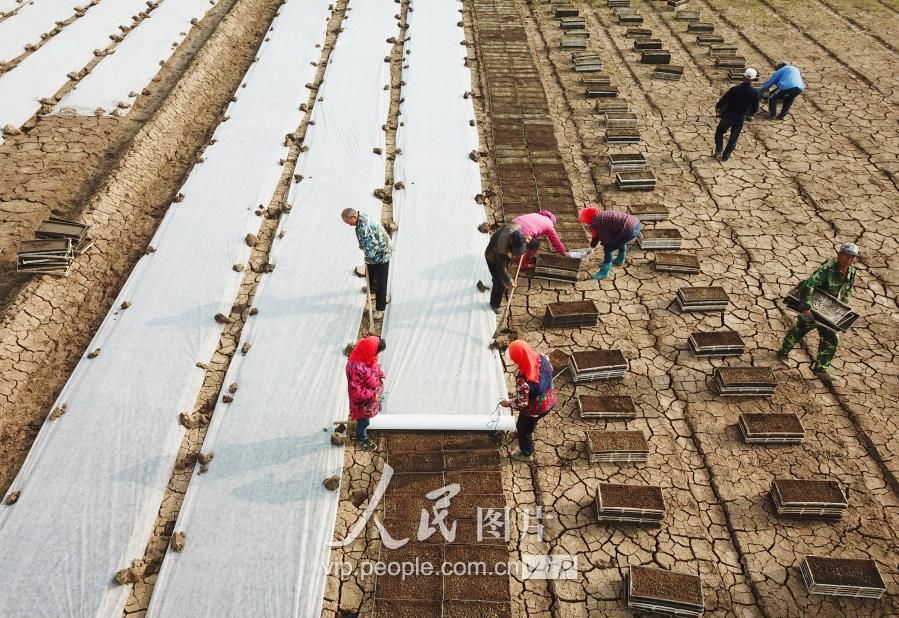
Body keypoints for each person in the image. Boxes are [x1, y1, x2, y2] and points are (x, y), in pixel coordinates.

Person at [778, 243, 859, 380]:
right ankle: (783, 352)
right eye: (847, 256)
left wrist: (842, 310)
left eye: (852, 257)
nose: (849, 260)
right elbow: (808, 285)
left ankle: (821, 368)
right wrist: (806, 307)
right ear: (839, 255)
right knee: (801, 329)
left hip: (830, 312)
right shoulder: (827, 270)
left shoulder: (851, 272)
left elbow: (847, 291)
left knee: (832, 338)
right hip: (814, 307)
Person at [500, 340, 557, 463]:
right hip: (550, 399)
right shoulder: (543, 358)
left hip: (536, 408)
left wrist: (508, 403)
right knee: (531, 423)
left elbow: (522, 403)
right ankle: (530, 430)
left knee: (522, 427)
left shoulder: (524, 380)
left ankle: (527, 453)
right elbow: (551, 370)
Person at [341, 208, 391, 319]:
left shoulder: (364, 228)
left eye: (349, 223)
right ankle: (373, 288)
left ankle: (381, 307)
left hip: (382, 254)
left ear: (354, 217)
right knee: (371, 271)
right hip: (375, 252)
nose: (349, 225)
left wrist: (367, 257)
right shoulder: (361, 216)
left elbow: (372, 250)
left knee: (381, 280)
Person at [346, 336, 387, 452]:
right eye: (376, 352)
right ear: (370, 349)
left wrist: (381, 376)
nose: (376, 355)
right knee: (364, 421)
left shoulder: (369, 355)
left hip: (373, 397)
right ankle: (361, 437)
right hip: (362, 403)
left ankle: (365, 422)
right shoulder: (354, 368)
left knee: (377, 408)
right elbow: (356, 392)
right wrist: (372, 396)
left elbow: (376, 367)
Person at [578, 205, 641, 280]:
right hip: (635, 224)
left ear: (588, 219)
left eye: (584, 221)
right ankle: (620, 260)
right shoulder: (600, 215)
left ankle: (604, 272)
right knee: (619, 241)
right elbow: (596, 236)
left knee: (608, 248)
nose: (585, 223)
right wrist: (592, 246)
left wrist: (605, 245)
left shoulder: (598, 223)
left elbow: (605, 239)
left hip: (629, 230)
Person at [713, 68, 761, 162]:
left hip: (729, 115)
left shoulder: (735, 89)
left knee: (720, 132)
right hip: (741, 117)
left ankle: (719, 150)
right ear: (753, 79)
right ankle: (725, 157)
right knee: (733, 138)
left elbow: (723, 100)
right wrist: (749, 113)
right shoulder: (755, 92)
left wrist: (718, 106)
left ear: (743, 76)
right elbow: (755, 109)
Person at [484, 222, 527, 314]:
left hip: (497, 248)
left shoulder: (517, 227)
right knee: (500, 283)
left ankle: (496, 281)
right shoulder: (503, 250)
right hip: (491, 257)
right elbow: (501, 267)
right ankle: (494, 304)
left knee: (499, 278)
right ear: (511, 242)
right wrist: (509, 281)